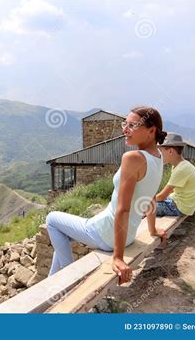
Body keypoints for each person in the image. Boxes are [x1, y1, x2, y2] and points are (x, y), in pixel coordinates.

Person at [46, 106, 168, 284]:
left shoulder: (133, 158)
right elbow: (150, 196)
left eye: (132, 126)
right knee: (62, 237)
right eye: (124, 124)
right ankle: (52, 281)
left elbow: (123, 209)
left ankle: (68, 277)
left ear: (151, 131)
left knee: (51, 219)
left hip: (106, 233)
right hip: (127, 235)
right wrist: (152, 229)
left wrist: (117, 257)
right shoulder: (158, 157)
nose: (125, 130)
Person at [155, 133, 195, 217]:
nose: (159, 154)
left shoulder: (181, 169)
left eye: (161, 151)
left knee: (142, 206)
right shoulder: (181, 165)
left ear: (170, 151)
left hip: (179, 208)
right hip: (182, 203)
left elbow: (161, 196)